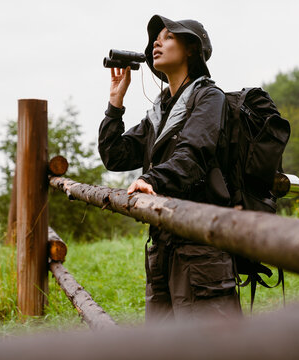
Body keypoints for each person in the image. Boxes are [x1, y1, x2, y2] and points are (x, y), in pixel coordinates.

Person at [98, 15, 241, 324]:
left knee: (209, 347)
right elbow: (115, 156)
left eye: (168, 36)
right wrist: (115, 103)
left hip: (201, 247)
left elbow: (193, 154)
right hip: (162, 246)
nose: (156, 42)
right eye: (155, 38)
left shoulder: (208, 98)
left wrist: (151, 179)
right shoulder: (160, 111)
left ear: (191, 49)